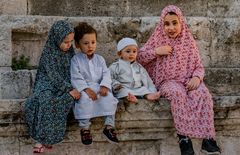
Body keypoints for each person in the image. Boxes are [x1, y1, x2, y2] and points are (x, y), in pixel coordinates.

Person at [137, 5, 221, 155]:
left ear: (181, 22)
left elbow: (199, 66)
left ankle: (208, 140)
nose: (171, 27)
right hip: (167, 82)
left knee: (202, 93)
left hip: (188, 80)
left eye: (175, 23)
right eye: (167, 24)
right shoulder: (157, 39)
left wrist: (197, 77)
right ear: (162, 25)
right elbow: (139, 57)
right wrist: (157, 51)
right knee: (177, 94)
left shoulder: (188, 42)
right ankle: (184, 139)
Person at [24, 20, 81, 153]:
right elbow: (54, 76)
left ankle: (49, 138)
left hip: (65, 84)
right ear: (56, 38)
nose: (68, 45)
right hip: (47, 84)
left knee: (67, 100)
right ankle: (40, 139)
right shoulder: (49, 53)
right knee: (44, 101)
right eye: (65, 42)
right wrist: (69, 89)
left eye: (70, 42)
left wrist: (72, 88)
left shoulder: (70, 52)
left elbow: (73, 70)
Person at [71, 22, 119, 145]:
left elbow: (106, 74)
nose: (90, 46)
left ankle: (109, 127)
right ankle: (85, 128)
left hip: (99, 86)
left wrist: (104, 85)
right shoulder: (75, 60)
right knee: (84, 100)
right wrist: (86, 89)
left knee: (109, 97)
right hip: (85, 89)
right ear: (77, 45)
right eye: (85, 43)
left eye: (93, 42)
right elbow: (76, 77)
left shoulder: (100, 59)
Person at [109, 37, 161, 103]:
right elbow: (109, 78)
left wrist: (153, 91)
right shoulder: (116, 66)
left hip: (138, 88)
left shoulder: (139, 67)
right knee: (122, 91)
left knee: (143, 89)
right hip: (124, 88)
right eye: (128, 51)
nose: (131, 54)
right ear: (120, 54)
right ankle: (129, 97)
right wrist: (116, 84)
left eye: (134, 51)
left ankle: (148, 96)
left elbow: (148, 80)